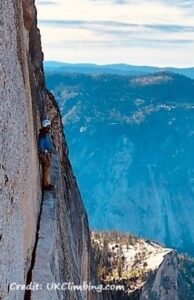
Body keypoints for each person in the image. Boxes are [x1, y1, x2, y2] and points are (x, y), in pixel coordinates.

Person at [38, 119, 56, 190]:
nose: (49, 127)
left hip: (45, 152)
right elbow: (41, 145)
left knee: (47, 167)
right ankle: (45, 185)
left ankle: (47, 183)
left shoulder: (44, 134)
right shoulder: (43, 135)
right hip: (44, 153)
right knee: (46, 168)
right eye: (48, 126)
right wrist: (44, 151)